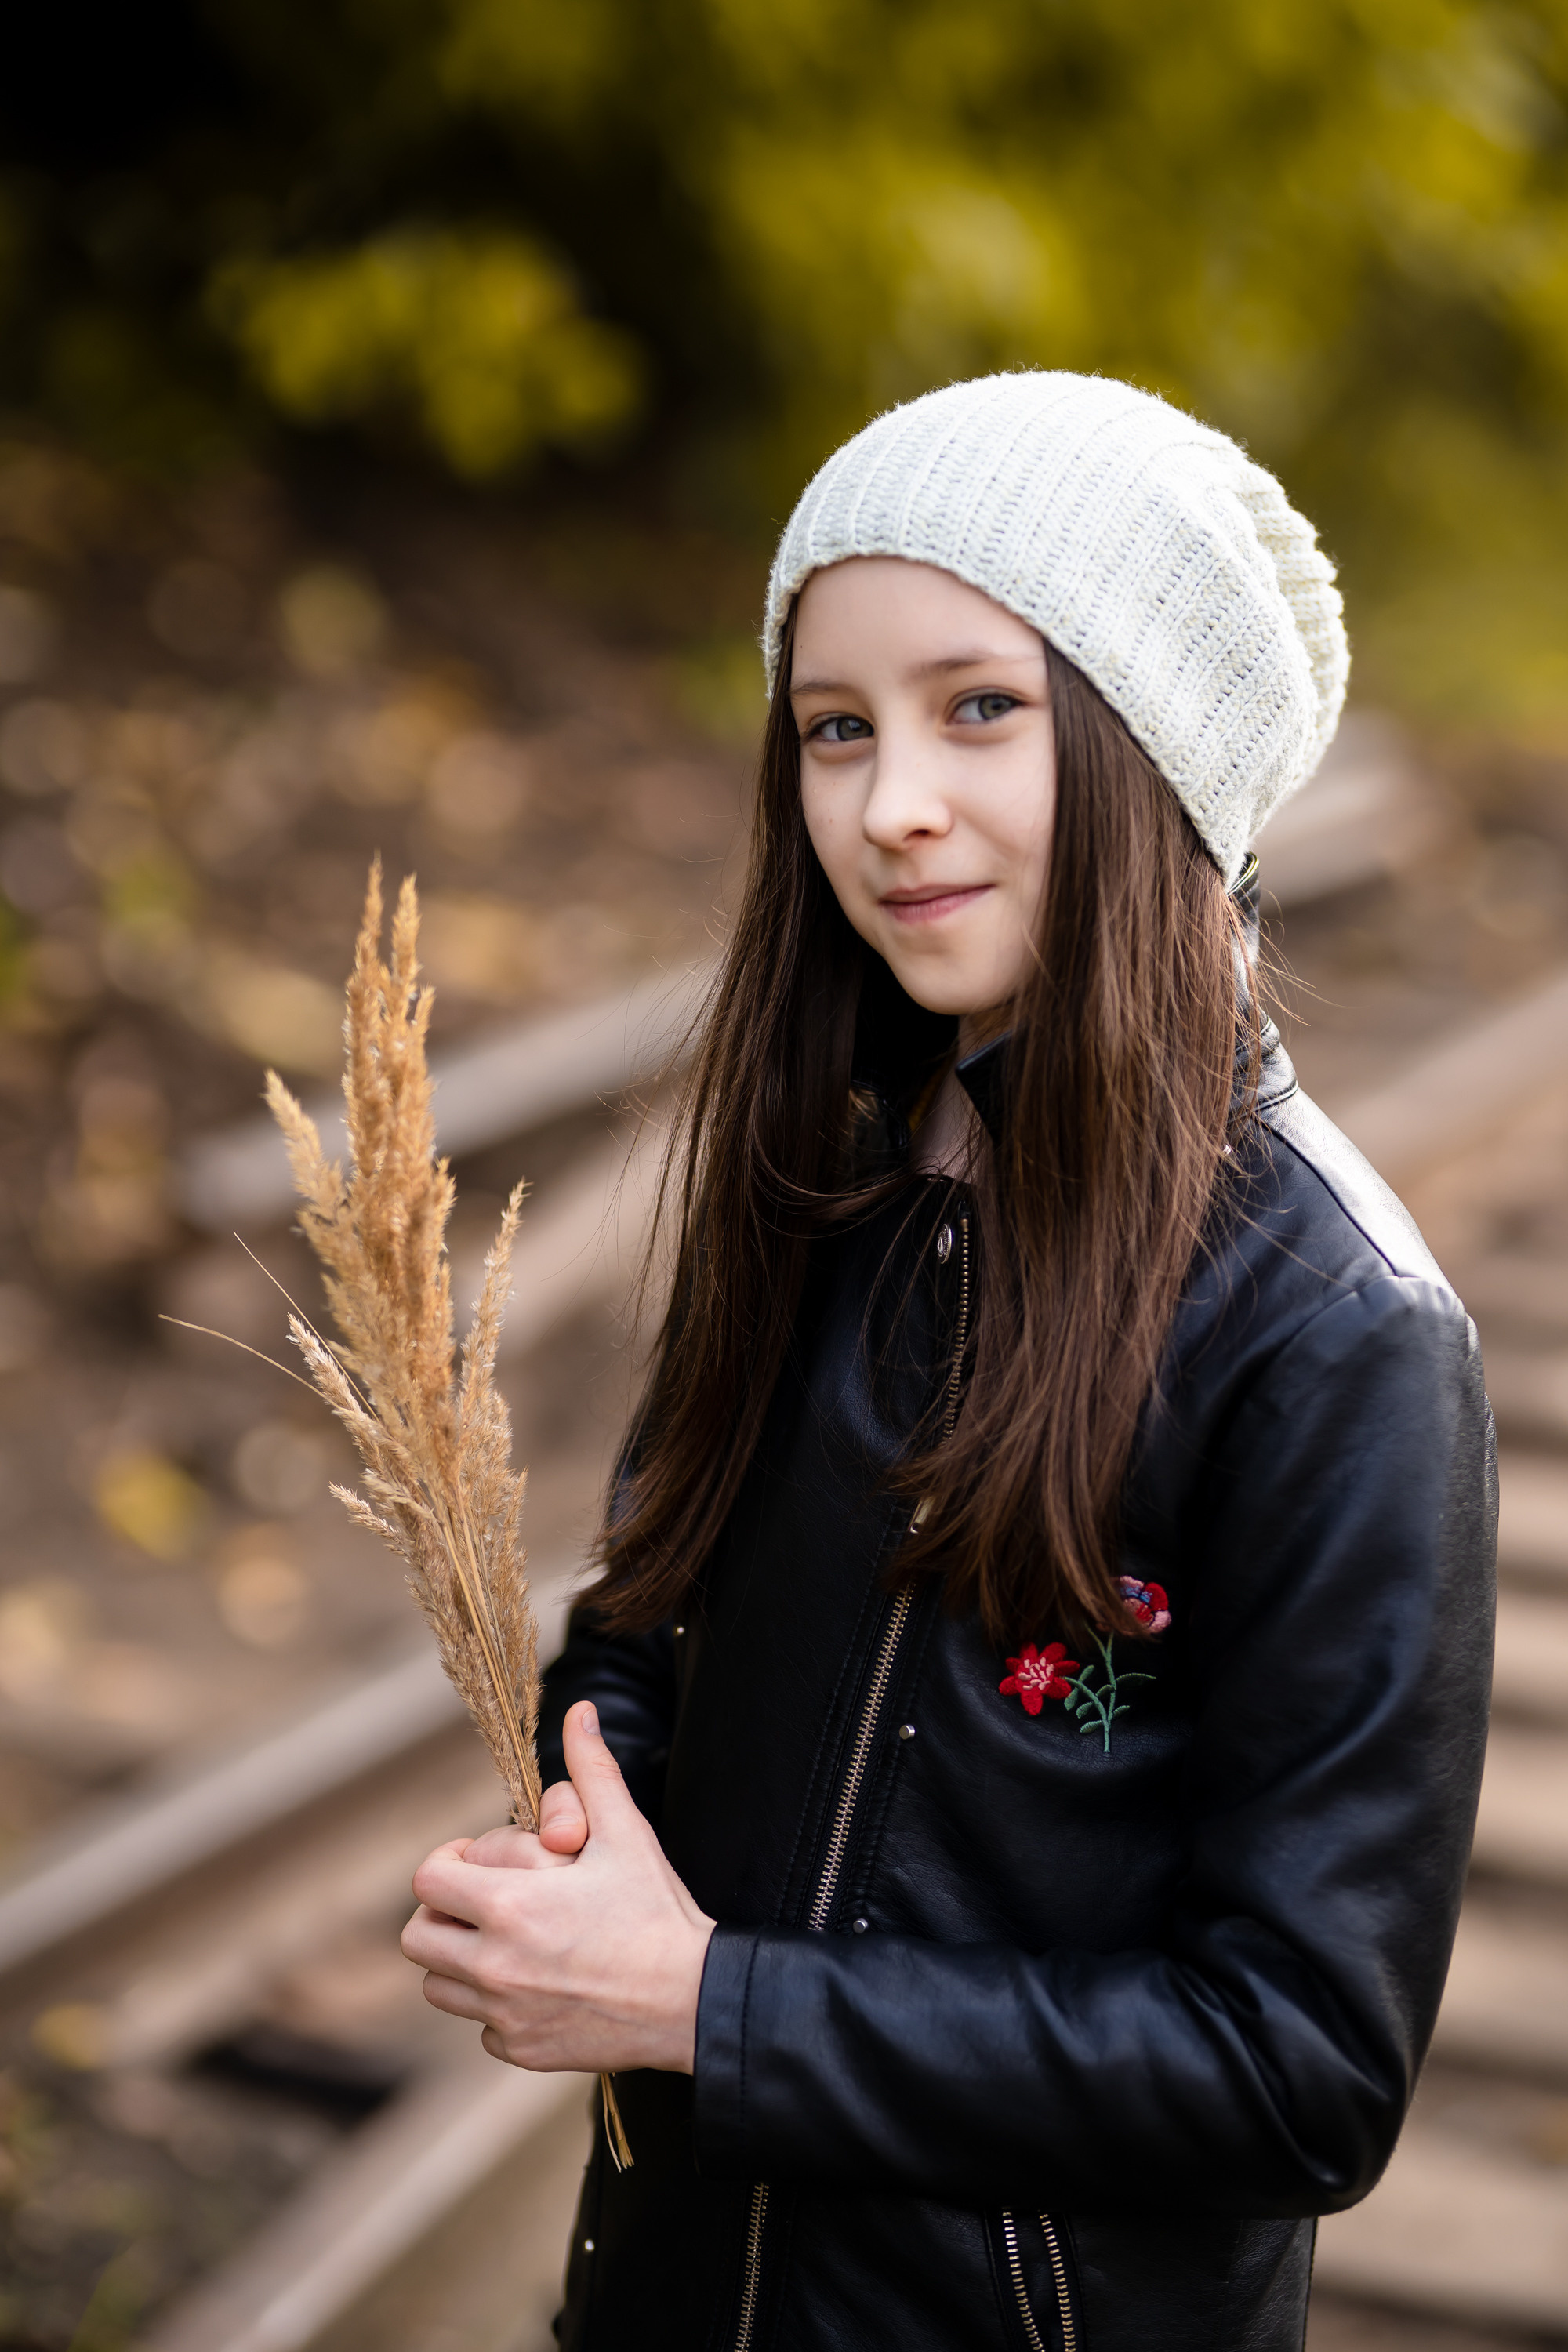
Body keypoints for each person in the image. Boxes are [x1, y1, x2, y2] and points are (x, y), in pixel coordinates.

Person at [400, 372, 1497, 2352]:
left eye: (975, 705)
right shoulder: (821, 1183)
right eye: (835, 729)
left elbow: (1298, 2068)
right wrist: (589, 1823)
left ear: (1152, 731)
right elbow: (644, 1632)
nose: (887, 802)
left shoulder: (1339, 1339)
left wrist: (693, 2003)